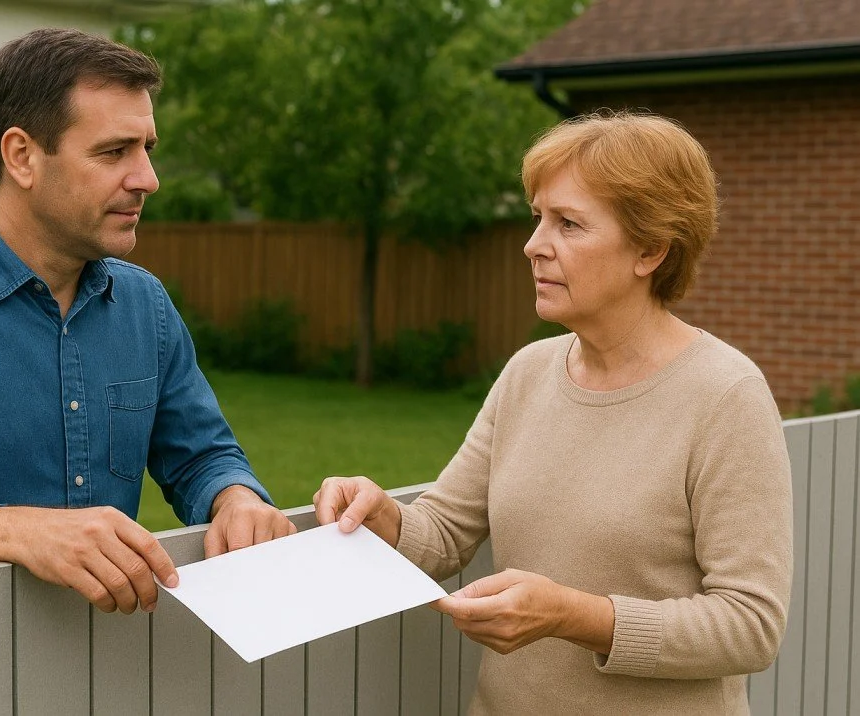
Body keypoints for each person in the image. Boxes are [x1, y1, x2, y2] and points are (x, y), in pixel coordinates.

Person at [314, 112, 792, 714]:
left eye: (568, 224)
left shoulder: (725, 397)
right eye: (538, 217)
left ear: (650, 249)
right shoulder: (528, 372)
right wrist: (382, 515)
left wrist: (575, 616)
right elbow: (441, 535)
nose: (533, 245)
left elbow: (751, 625)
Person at [0, 28, 295, 615]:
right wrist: (14, 531)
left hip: (105, 666)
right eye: (114, 152)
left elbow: (200, 455)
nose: (147, 179)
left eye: (147, 149)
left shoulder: (145, 306)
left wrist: (234, 498)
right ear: (22, 157)